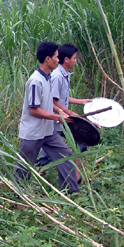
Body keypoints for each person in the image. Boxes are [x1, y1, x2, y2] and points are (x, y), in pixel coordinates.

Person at [14, 41, 80, 194]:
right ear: (48, 59)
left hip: (47, 131)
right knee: (24, 166)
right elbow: (34, 110)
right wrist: (57, 118)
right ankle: (17, 195)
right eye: (56, 57)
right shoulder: (36, 81)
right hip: (33, 133)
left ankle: (70, 193)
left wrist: (61, 112)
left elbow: (48, 102)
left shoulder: (48, 78)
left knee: (66, 157)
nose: (59, 60)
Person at [37, 44, 93, 178]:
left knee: (55, 148)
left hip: (61, 118)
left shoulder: (64, 74)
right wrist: (69, 113)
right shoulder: (57, 77)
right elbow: (52, 101)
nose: (76, 60)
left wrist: (81, 101)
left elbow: (63, 97)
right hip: (56, 119)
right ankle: (41, 174)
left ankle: (75, 176)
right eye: (74, 58)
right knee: (76, 143)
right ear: (66, 59)